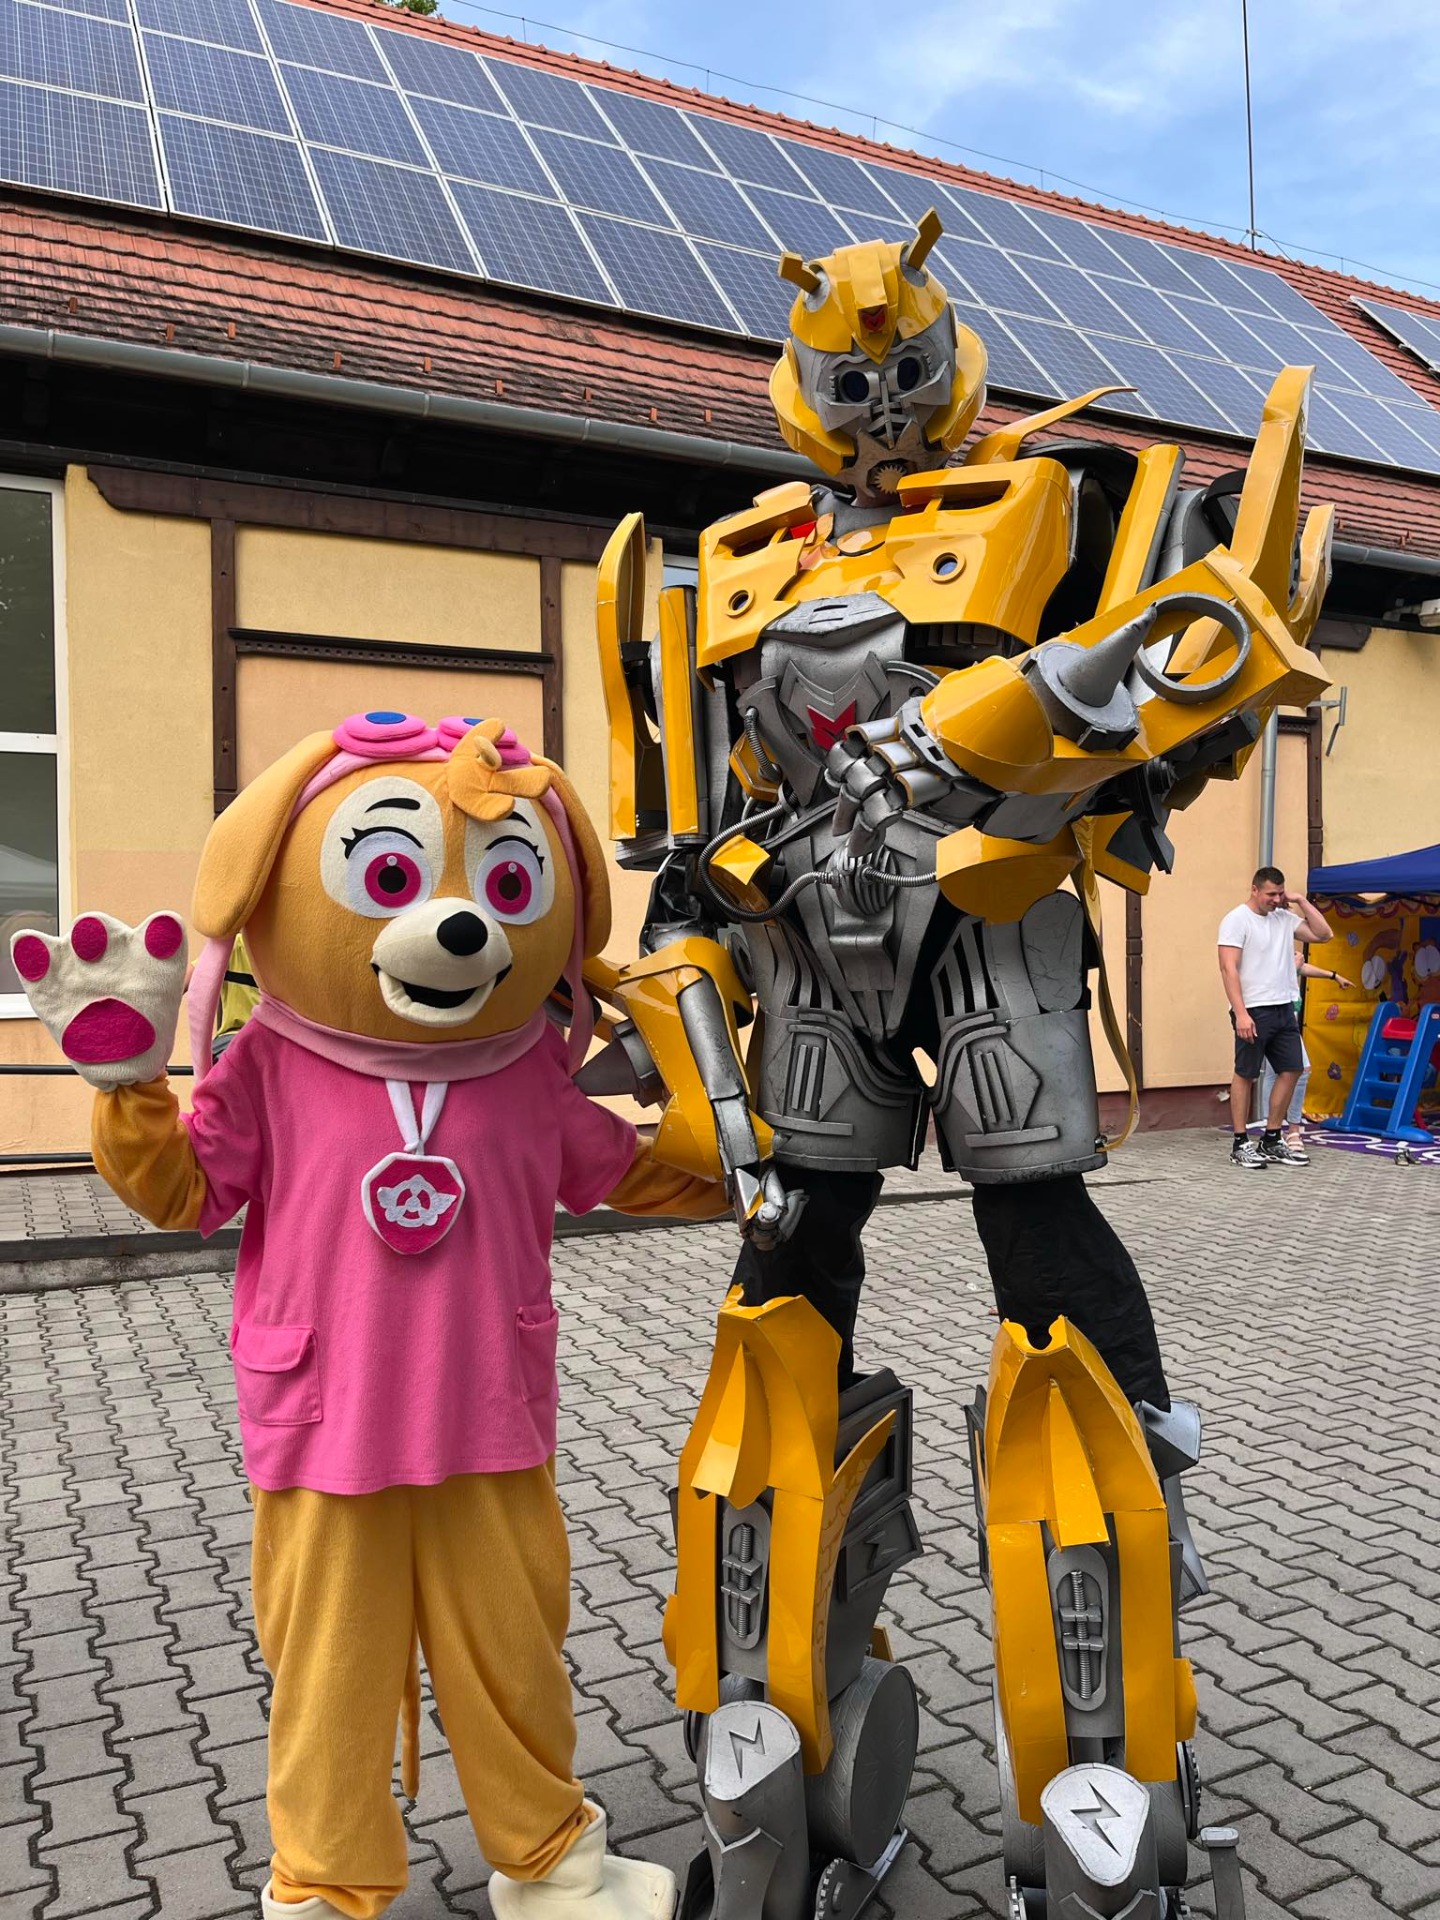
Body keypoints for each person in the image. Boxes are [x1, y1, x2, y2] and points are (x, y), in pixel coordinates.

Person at [1218, 868, 1333, 1168]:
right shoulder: (1237, 920)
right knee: (1246, 1073)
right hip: (1253, 1009)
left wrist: (1301, 901)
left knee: (1293, 1069)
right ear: (1254, 889)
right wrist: (1241, 1013)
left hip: (1284, 1007)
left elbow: (1324, 934)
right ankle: (1240, 1143)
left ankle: (1271, 1138)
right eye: (1271, 894)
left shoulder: (1284, 918)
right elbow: (1228, 968)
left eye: (1280, 893)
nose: (1276, 899)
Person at [1257, 952, 1354, 1158]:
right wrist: (1293, 967)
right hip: (1275, 1019)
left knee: (1276, 1073)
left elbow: (1302, 967)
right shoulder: (1266, 954)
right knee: (1301, 1070)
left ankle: (1274, 1128)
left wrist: (1333, 975)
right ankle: (1290, 1128)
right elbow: (1274, 980)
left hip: (1287, 1023)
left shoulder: (1283, 948)